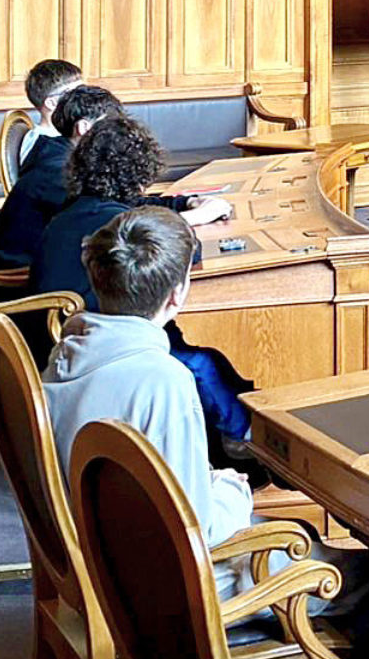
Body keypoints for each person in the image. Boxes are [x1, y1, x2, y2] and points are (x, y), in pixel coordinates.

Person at [40, 206, 255, 595]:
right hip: (167, 594)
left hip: (97, 562)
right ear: (177, 294)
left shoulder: (65, 352)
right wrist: (232, 491)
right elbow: (197, 532)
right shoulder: (164, 380)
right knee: (366, 579)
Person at [29, 115, 250, 458]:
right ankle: (245, 437)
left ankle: (240, 422)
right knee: (201, 361)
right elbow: (174, 255)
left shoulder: (79, 209)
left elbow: (145, 208)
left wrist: (185, 204)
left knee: (208, 357)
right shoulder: (115, 225)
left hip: (80, 331)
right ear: (139, 170)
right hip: (106, 335)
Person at [0, 85, 123, 273]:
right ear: (84, 127)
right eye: (111, 125)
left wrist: (173, 204)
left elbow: (110, 205)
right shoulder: (57, 170)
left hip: (43, 265)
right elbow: (107, 214)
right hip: (19, 281)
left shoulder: (62, 153)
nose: (117, 134)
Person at [19, 58, 82, 163]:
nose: (85, 98)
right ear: (52, 103)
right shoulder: (44, 150)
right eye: (76, 94)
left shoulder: (68, 135)